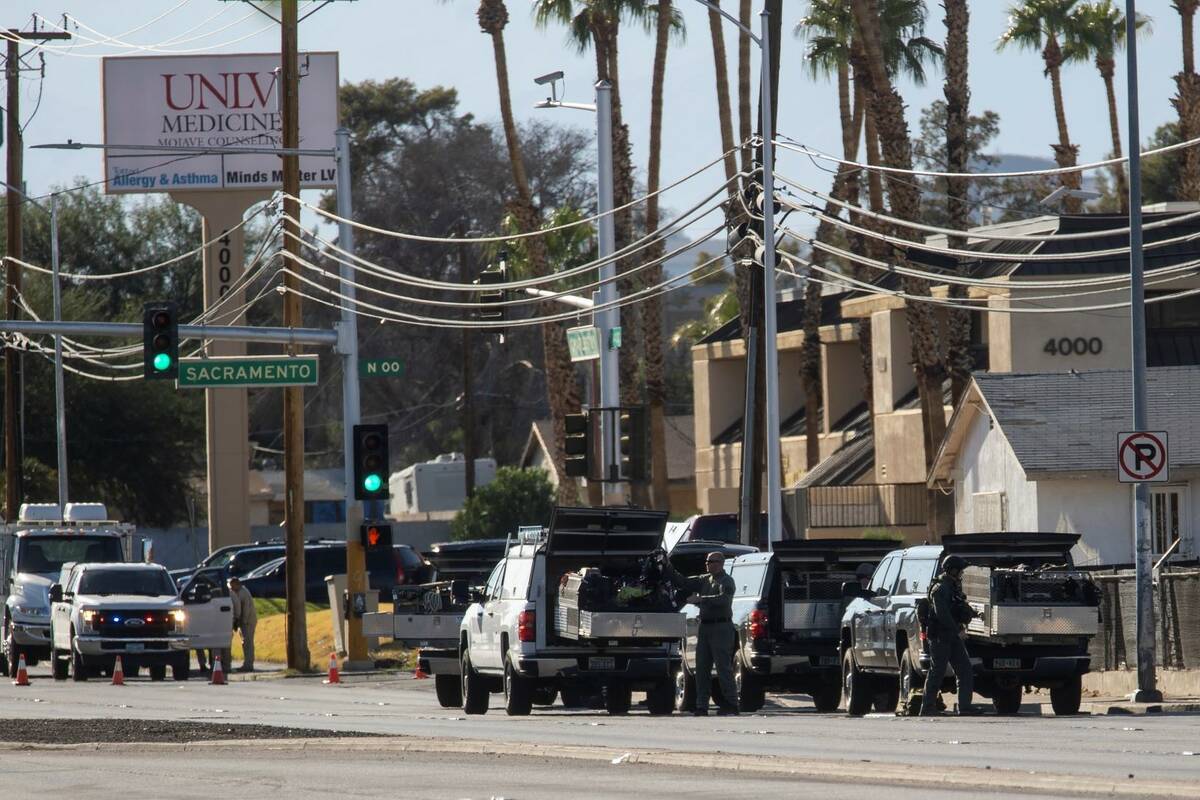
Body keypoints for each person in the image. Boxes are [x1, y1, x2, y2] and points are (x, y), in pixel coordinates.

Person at [660, 550, 739, 716]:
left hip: (721, 628)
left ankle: (731, 703)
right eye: (707, 562)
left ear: (720, 563)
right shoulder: (705, 579)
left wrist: (702, 599)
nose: (708, 564)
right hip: (704, 627)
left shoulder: (727, 581)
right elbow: (682, 582)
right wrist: (668, 566)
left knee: (723, 667)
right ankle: (702, 705)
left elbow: (724, 599)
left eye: (711, 562)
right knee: (702, 668)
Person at [920, 555, 981, 716]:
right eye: (960, 570)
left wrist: (973, 614)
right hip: (940, 636)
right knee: (937, 671)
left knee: (965, 670)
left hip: (951, 635)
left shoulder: (953, 585)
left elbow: (956, 606)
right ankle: (927, 707)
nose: (962, 574)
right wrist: (958, 631)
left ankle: (965, 707)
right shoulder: (940, 588)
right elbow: (943, 614)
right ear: (952, 570)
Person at [228, 576, 258, 672]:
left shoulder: (243, 593)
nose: (231, 588)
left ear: (237, 584)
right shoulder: (238, 592)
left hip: (248, 621)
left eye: (233, 586)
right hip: (243, 622)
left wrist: (243, 622)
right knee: (245, 643)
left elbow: (246, 609)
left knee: (248, 643)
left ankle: (249, 664)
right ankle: (247, 663)